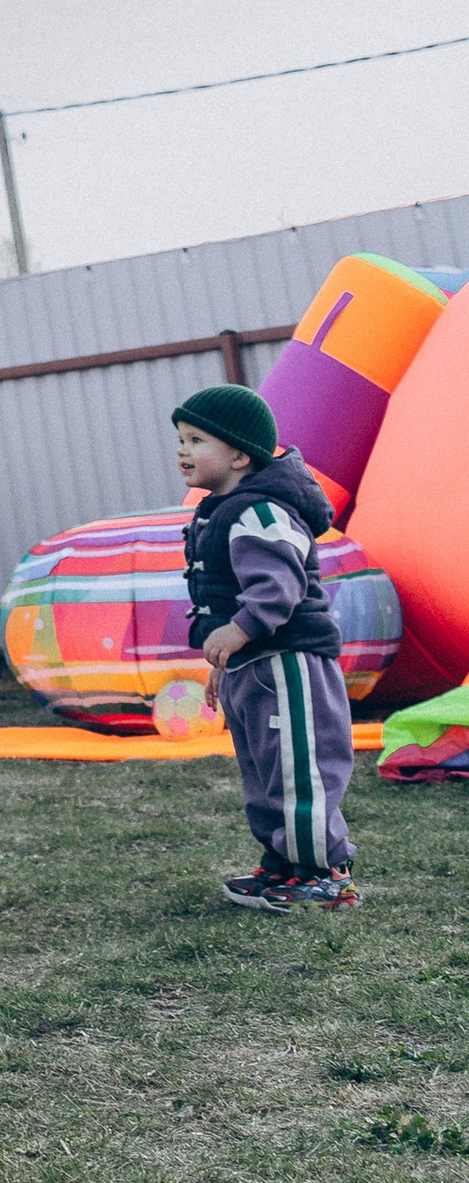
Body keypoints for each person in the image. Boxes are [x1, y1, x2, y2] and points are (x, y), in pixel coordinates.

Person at [177, 381, 361, 912]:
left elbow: (277, 587)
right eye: (181, 439)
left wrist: (240, 630)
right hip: (252, 667)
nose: (183, 450)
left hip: (288, 665)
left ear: (239, 453)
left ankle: (324, 873)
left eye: (196, 440)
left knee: (298, 769)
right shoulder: (221, 509)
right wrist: (225, 661)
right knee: (263, 772)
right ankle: (282, 864)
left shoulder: (260, 512)